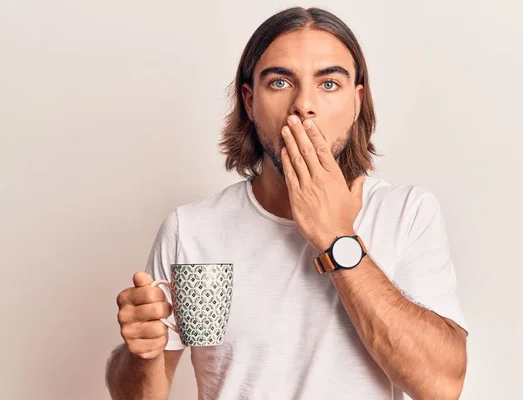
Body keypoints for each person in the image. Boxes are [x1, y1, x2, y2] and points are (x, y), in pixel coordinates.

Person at [106, 6, 469, 400]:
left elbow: (441, 386)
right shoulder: (195, 231)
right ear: (249, 101)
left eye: (329, 84)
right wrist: (142, 353)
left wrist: (336, 237)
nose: (304, 105)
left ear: (356, 102)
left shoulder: (406, 214)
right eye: (280, 82)